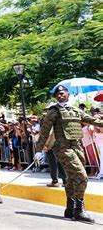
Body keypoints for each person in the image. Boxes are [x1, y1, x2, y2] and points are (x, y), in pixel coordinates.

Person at [35, 85, 103, 223]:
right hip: (62, 148)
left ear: (68, 94)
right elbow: (44, 130)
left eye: (62, 93)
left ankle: (70, 208)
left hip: (77, 147)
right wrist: (38, 149)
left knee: (72, 178)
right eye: (57, 94)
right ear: (55, 97)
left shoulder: (76, 110)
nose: (60, 95)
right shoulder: (54, 111)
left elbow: (94, 121)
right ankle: (79, 209)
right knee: (81, 176)